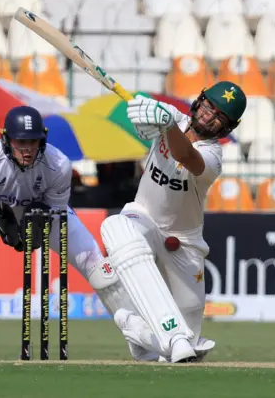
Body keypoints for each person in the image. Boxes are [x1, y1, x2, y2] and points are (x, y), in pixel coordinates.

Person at [0, 105, 134, 361]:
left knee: (95, 261)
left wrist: (40, 224)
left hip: (43, 214)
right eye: (21, 141)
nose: (27, 149)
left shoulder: (59, 164)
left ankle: (140, 337)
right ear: (5, 139)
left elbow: (58, 208)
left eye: (33, 141)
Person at [100, 81, 247, 363]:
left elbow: (185, 155)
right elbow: (144, 115)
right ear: (198, 101)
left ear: (226, 128)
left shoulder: (213, 157)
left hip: (185, 245)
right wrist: (145, 114)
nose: (208, 116)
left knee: (189, 340)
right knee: (118, 228)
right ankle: (167, 336)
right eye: (208, 106)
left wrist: (166, 126)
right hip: (142, 218)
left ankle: (137, 330)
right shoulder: (173, 118)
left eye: (219, 116)